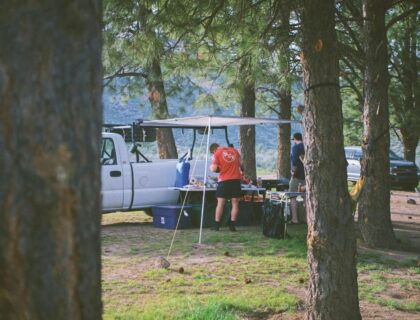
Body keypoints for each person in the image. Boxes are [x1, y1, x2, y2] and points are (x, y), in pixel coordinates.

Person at [209, 143, 243, 231]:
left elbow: (214, 168)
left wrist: (211, 167)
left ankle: (216, 226)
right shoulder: (234, 151)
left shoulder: (217, 153)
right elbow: (241, 164)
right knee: (235, 203)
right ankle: (232, 226)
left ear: (213, 150)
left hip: (224, 180)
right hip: (236, 180)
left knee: (220, 203)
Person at [289, 132, 305, 223]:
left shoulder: (295, 147)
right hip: (306, 177)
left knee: (293, 197)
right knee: (306, 197)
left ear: (295, 139)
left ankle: (295, 219)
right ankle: (307, 219)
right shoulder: (306, 146)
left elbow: (294, 161)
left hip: (297, 177)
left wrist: (293, 173)